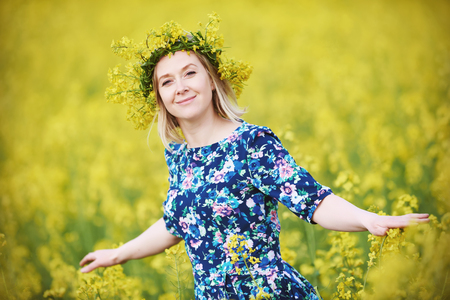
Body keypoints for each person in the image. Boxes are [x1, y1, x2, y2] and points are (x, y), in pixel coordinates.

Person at [79, 14, 429, 300]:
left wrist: (368, 219)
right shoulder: (180, 157)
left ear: (212, 81)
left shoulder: (252, 143)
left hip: (267, 293)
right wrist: (118, 254)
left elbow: (312, 200)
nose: (180, 86)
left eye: (190, 73)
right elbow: (177, 222)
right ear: (161, 98)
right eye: (167, 82)